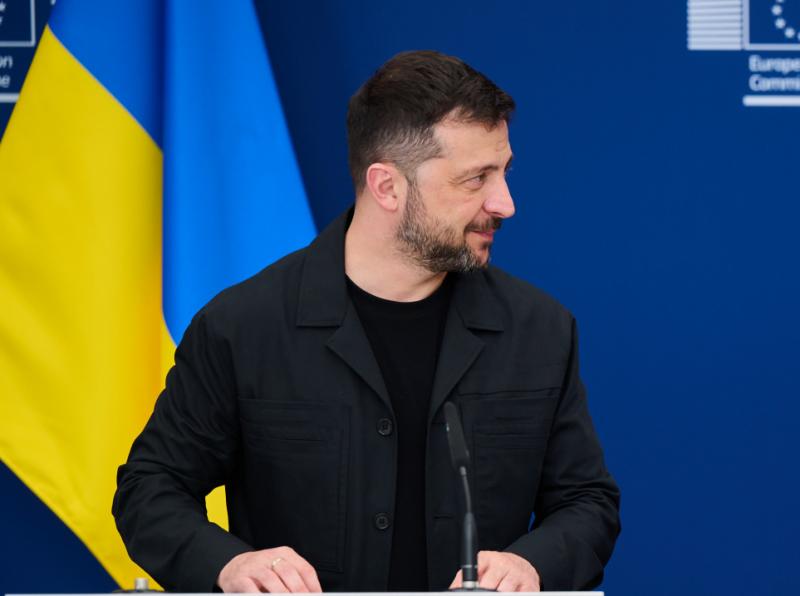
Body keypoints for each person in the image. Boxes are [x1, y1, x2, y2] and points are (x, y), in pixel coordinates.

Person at [113, 50, 620, 593]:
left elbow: (587, 502)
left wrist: (532, 564)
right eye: (476, 179)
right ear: (387, 186)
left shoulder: (540, 331)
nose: (505, 203)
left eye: (504, 172)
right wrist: (229, 565)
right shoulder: (241, 328)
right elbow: (150, 488)